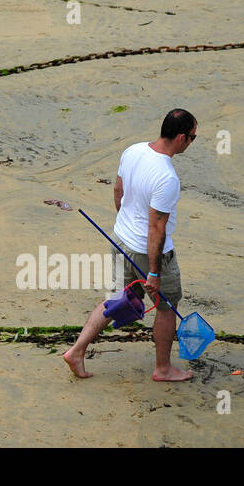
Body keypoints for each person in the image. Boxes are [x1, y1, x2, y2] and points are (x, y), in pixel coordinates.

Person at [63, 109, 198, 381]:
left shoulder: (133, 150)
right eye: (193, 138)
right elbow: (156, 229)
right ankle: (163, 369)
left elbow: (118, 191)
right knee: (166, 306)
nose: (192, 142)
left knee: (117, 299)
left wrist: (125, 225)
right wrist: (155, 273)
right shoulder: (167, 178)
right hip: (145, 250)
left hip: (120, 239)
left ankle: (76, 351)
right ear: (181, 138)